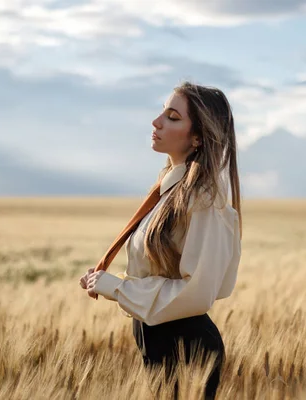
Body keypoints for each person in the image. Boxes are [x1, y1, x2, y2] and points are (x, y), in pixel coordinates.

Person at [79, 81, 242, 399]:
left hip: (185, 348)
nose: (156, 122)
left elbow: (197, 293)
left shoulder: (206, 201)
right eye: (162, 113)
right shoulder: (170, 191)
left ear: (197, 137)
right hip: (157, 340)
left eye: (173, 117)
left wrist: (117, 288)